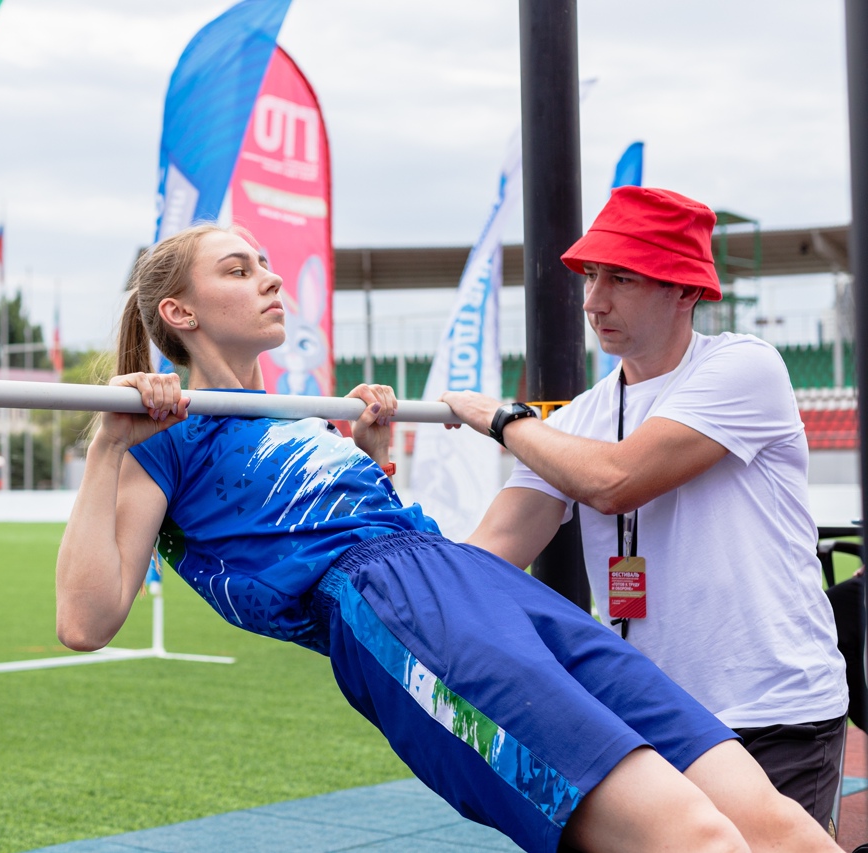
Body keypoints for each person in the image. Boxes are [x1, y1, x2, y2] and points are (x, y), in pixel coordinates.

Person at [56, 222, 838, 853]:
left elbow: (355, 524)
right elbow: (85, 621)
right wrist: (107, 445)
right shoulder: (161, 436)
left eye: (265, 261)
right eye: (237, 268)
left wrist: (368, 455)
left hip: (468, 579)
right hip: (399, 608)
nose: (269, 276)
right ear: (179, 313)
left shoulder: (296, 412)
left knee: (778, 829)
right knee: (694, 836)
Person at [441, 186, 849, 835]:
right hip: (659, 724)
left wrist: (502, 419)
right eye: (591, 274)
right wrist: (375, 467)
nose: (594, 298)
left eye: (622, 278)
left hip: (775, 711)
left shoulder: (745, 366)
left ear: (686, 290)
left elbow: (616, 481)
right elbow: (484, 556)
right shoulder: (580, 418)